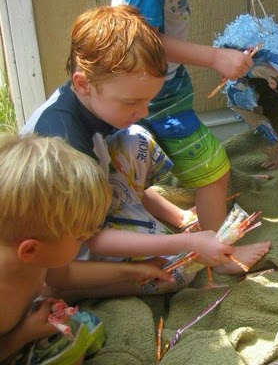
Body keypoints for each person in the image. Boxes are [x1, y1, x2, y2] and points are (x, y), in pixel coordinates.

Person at [22, 5, 267, 296]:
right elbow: (93, 238)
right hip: (64, 255)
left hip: (87, 202)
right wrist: (186, 244)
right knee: (178, 271)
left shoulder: (90, 98)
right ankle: (77, 288)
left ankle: (173, 221)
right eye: (131, 102)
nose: (143, 112)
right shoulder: (65, 153)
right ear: (83, 83)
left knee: (136, 139)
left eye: (148, 101)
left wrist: (179, 219)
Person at [110, 0, 271, 271]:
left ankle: (178, 218)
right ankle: (221, 254)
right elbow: (147, 42)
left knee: (130, 164)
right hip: (155, 89)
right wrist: (215, 57)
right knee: (214, 169)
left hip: (144, 83)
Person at [0, 133, 173, 364]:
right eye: (80, 236)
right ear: (30, 250)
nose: (89, 237)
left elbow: (64, 275)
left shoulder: (34, 255)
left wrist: (136, 270)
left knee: (78, 334)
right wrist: (23, 334)